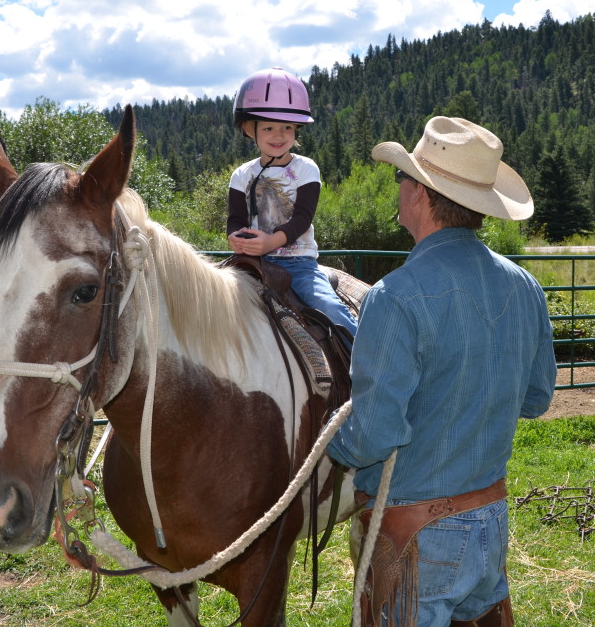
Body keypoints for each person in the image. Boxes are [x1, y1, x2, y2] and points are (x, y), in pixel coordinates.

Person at [327, 116, 556, 627]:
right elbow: (537, 398)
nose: (400, 190)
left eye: (403, 179)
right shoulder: (525, 287)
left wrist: (321, 440)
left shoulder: (395, 297)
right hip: (490, 519)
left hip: (416, 535)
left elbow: (373, 437)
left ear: (420, 194)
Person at [226, 67, 357, 337]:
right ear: (250, 129)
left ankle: (367, 358)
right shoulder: (241, 175)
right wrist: (235, 239)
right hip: (251, 262)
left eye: (287, 127)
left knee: (328, 307)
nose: (279, 135)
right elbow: (236, 220)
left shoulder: (305, 169)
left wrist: (271, 242)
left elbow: (302, 218)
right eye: (269, 127)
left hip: (298, 263)